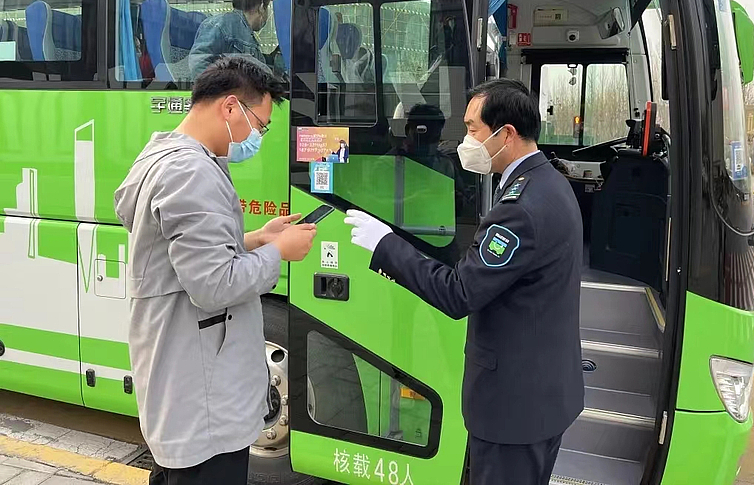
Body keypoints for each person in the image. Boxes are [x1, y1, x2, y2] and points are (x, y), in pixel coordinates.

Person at [344, 78, 584, 485]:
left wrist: (386, 244)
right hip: (544, 396)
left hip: (512, 409)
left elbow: (459, 293)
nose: (465, 141)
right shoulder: (550, 183)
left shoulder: (519, 209)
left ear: (505, 134)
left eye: (472, 129)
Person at [113, 57, 317, 485]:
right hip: (202, 404)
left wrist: (256, 239)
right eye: (259, 126)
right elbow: (213, 284)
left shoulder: (168, 155)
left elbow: (188, 254)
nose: (256, 138)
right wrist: (279, 252)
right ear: (229, 107)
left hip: (189, 391)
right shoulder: (191, 172)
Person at [188, 0, 276, 80]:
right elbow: (199, 63)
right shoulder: (221, 24)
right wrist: (220, 87)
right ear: (261, 8)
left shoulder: (246, 34)